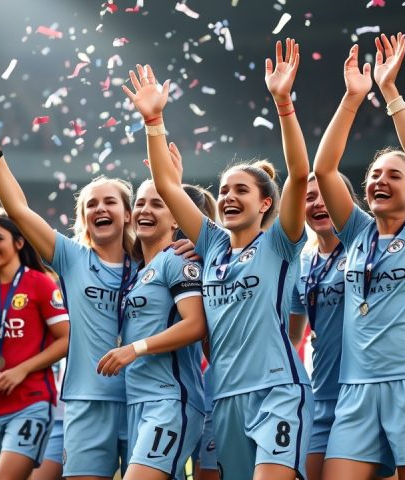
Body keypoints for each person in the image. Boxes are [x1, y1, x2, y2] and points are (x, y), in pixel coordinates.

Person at [0, 96, 196, 480]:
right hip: (88, 400)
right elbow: (19, 211)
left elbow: (181, 228)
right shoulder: (71, 258)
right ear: (83, 218)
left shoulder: (153, 262)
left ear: (128, 213)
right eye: (91, 205)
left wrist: (179, 210)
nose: (100, 209)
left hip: (144, 398)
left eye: (110, 202)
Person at [124, 37, 313, 479]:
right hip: (223, 396)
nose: (228, 196)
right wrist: (154, 121)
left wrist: (283, 104)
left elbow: (300, 174)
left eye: (241, 190)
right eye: (224, 189)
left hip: (277, 390)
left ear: (266, 203)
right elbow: (167, 187)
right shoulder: (211, 245)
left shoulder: (280, 242)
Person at [313, 34, 405, 480]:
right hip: (356, 389)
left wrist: (390, 91)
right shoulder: (356, 231)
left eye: (394, 176)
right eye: (375, 174)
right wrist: (352, 99)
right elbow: (324, 169)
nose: (380, 180)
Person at [97, 178, 208, 480]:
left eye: (157, 204)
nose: (145, 210)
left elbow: (196, 324)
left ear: (176, 219)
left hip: (170, 401)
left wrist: (135, 349)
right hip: (138, 403)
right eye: (141, 203)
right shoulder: (139, 272)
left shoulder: (177, 259)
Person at [0, 211, 70, 480]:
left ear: (19, 242)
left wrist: (23, 369)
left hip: (30, 403)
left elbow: (66, 339)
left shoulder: (41, 284)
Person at [288, 173, 359, 480]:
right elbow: (292, 337)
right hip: (319, 396)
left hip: (362, 394)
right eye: (309, 198)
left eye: (326, 195)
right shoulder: (300, 263)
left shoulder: (364, 248)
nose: (318, 203)